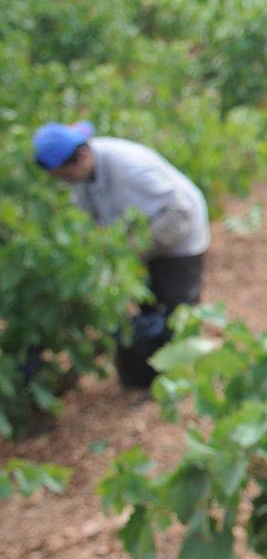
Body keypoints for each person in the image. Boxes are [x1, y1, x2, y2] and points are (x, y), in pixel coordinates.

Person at [33, 120, 210, 387]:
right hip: (139, 238)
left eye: (65, 176)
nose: (65, 183)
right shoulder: (83, 173)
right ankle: (158, 376)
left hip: (179, 236)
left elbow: (179, 213)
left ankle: (185, 380)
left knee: (177, 308)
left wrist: (131, 253)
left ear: (81, 156)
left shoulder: (129, 168)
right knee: (150, 308)